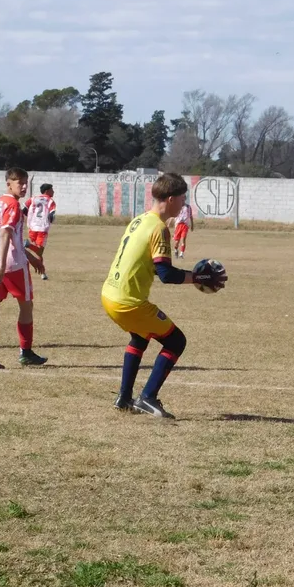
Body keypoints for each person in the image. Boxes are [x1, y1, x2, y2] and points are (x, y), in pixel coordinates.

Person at [101, 173, 227, 418]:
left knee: (140, 338)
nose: (183, 204)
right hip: (128, 302)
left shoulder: (139, 220)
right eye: (182, 199)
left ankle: (124, 398)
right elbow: (166, 274)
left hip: (109, 295)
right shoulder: (159, 229)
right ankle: (147, 398)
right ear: (170, 199)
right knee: (176, 341)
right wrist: (199, 277)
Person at [0, 167, 48, 369]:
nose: (25, 186)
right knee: (26, 306)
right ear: (9, 183)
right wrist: (4, 265)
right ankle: (25, 352)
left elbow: (11, 239)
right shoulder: (13, 205)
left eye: (26, 182)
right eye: (20, 183)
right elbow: (5, 234)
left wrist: (32, 258)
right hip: (12, 265)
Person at [22, 183, 56, 280]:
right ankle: (28, 245)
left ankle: (43, 273)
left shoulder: (33, 199)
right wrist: (51, 219)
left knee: (38, 253)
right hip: (42, 228)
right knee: (40, 251)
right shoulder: (50, 201)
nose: (53, 192)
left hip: (32, 227)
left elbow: (24, 210)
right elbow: (51, 215)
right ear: (47, 191)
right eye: (52, 190)